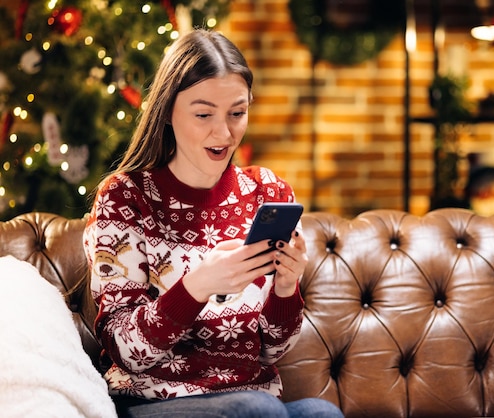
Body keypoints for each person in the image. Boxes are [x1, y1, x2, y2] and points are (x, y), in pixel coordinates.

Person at [83, 29, 344, 418]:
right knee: (257, 409)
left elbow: (272, 351)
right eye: (203, 114)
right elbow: (126, 349)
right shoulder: (125, 197)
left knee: (322, 414)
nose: (223, 133)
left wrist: (286, 289)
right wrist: (199, 285)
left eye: (237, 113)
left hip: (249, 400)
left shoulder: (267, 192)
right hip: (150, 402)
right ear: (168, 111)